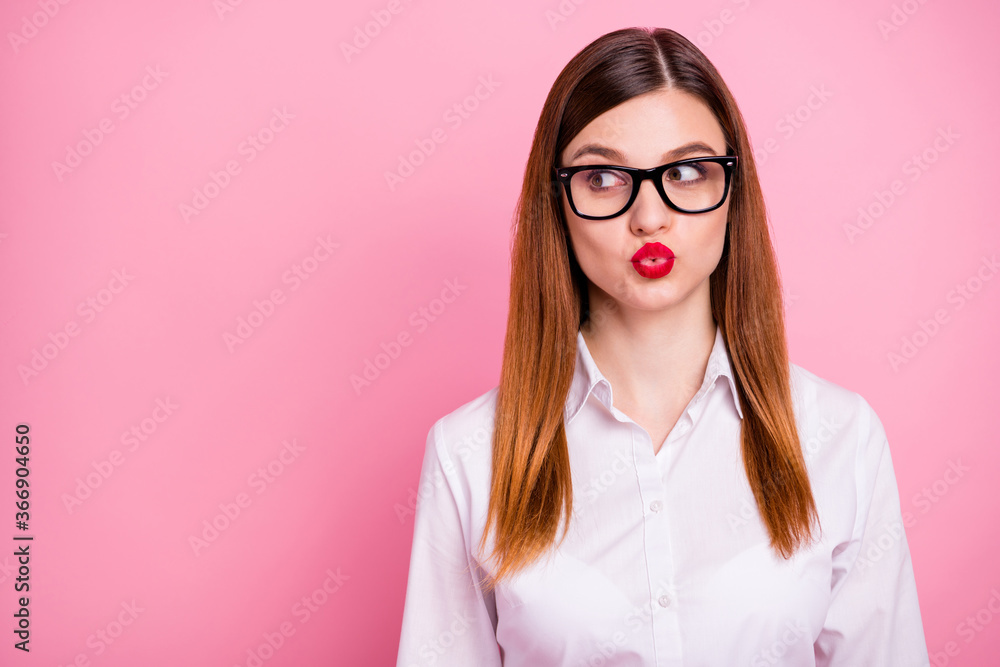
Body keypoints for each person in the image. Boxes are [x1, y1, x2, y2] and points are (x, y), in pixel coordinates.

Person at [395, 26, 930, 666]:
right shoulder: (468, 454)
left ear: (733, 195)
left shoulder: (840, 437)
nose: (649, 215)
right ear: (557, 201)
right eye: (602, 178)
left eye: (685, 171)